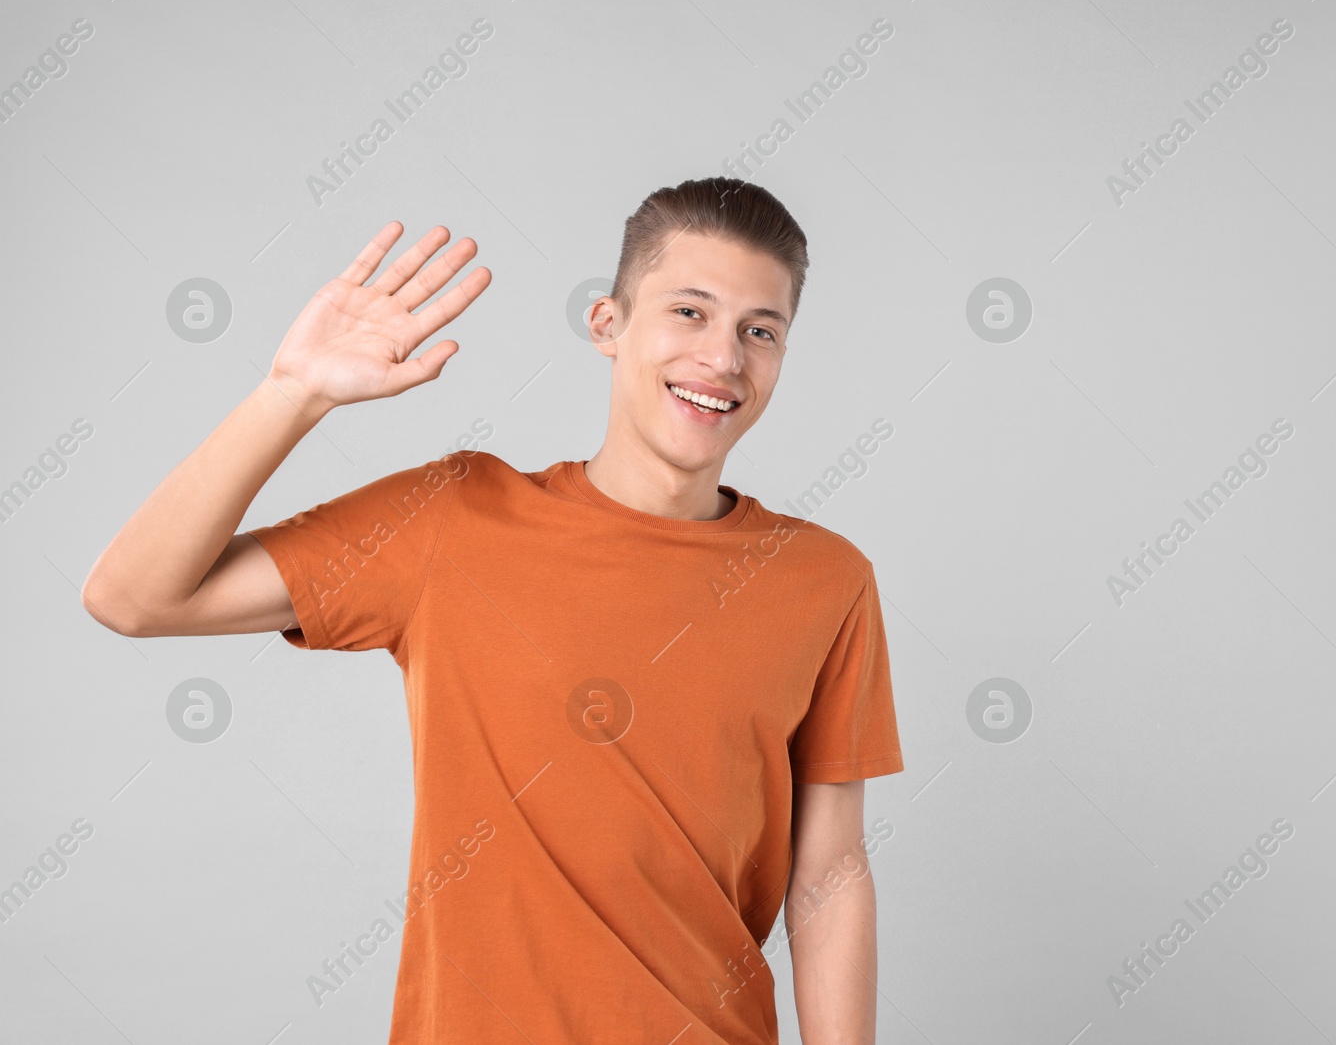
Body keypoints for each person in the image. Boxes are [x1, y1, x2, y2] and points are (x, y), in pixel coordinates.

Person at [81, 177, 905, 1044]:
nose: (724, 358)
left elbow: (830, 870)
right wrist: (294, 394)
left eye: (760, 331)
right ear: (608, 325)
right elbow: (133, 596)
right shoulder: (452, 520)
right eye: (689, 312)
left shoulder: (823, 579)